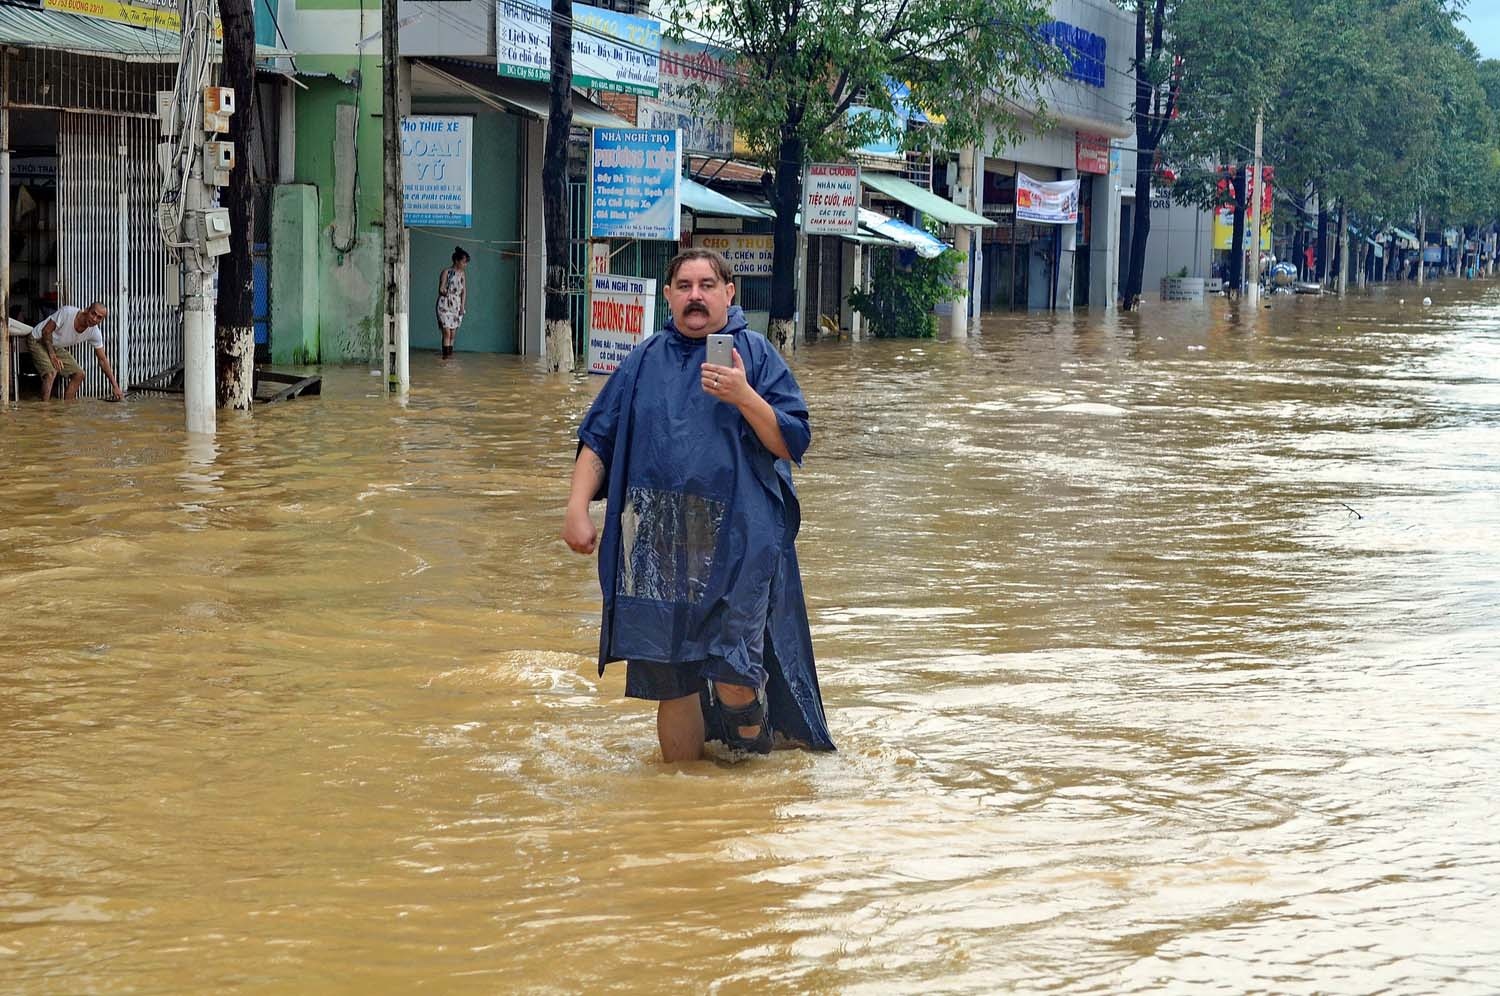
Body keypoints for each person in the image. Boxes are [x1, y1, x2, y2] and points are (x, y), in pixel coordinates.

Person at [562, 249, 834, 762]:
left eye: (707, 284)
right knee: (672, 683)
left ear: (729, 294)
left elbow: (792, 441)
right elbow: (598, 439)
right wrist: (577, 506)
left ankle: (753, 779)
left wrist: (744, 396)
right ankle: (683, 807)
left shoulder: (753, 355)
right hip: (658, 543)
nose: (695, 295)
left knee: (735, 674)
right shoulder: (642, 361)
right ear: (667, 297)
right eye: (684, 285)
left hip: (740, 541)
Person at [29, 301, 123, 401]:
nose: (94, 319)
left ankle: (68, 409)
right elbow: (46, 331)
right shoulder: (67, 312)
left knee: (79, 374)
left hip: (55, 346)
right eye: (93, 314)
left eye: (99, 317)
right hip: (38, 339)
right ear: (87, 310)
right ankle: (44, 411)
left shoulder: (94, 333)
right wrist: (53, 356)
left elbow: (103, 360)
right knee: (51, 373)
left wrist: (115, 386)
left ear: (101, 321)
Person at [435, 247, 469, 358]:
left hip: (456, 305)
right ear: (457, 261)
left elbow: (464, 292)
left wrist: (462, 306)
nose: (465, 264)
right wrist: (445, 292)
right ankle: (445, 358)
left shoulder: (462, 274)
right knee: (447, 332)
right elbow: (441, 288)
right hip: (445, 304)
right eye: (464, 262)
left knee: (453, 334)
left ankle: (449, 357)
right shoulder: (446, 272)